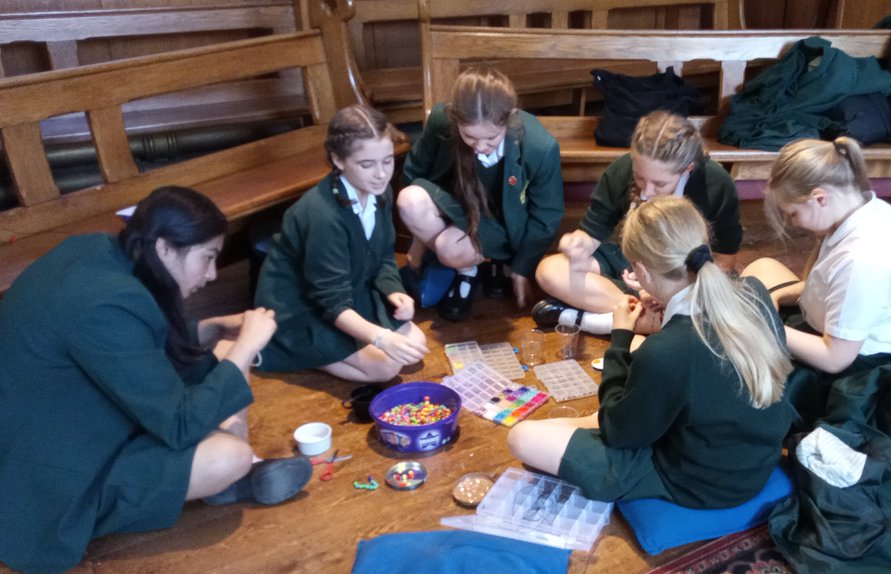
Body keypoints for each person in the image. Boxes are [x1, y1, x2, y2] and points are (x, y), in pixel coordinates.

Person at [0, 187, 311, 574]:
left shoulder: (96, 250)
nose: (212, 274)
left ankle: (225, 480)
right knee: (230, 449)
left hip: (52, 419)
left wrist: (210, 329)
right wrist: (246, 348)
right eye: (207, 257)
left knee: (221, 355)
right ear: (165, 248)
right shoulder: (108, 304)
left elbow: (126, 344)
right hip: (43, 479)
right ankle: (234, 474)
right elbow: (178, 424)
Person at [507, 197, 796, 507]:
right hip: (755, 458)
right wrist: (667, 303)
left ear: (641, 271)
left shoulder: (667, 351)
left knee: (523, 438)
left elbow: (619, 435)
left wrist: (621, 335)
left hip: (706, 483)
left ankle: (614, 413)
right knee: (625, 393)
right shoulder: (754, 290)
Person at [255, 104, 428, 382]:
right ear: (338, 160)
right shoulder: (323, 215)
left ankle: (344, 348)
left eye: (387, 161)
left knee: (414, 347)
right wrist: (381, 338)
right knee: (385, 367)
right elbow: (330, 300)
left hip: (349, 288)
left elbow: (383, 255)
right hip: (302, 308)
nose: (381, 174)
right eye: (367, 164)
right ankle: (294, 351)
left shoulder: (380, 192)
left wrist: (393, 289)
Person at [532, 111, 742, 335]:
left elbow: (724, 260)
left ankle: (613, 320)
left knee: (720, 303)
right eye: (640, 178)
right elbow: (593, 230)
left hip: (682, 271)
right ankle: (649, 318)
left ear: (687, 168)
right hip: (632, 264)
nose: (647, 192)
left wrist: (667, 288)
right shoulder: (621, 170)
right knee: (549, 270)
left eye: (660, 184)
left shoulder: (716, 184)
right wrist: (578, 245)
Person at [741, 136, 891, 377]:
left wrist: (766, 327)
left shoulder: (861, 261)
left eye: (793, 213)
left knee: (737, 345)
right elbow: (824, 284)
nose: (793, 222)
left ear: (819, 199)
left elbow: (834, 360)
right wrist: (777, 296)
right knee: (763, 269)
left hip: (859, 366)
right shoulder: (872, 209)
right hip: (833, 333)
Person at [397, 66, 565, 321]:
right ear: (455, 118)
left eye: (491, 138)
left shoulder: (540, 146)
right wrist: (418, 239)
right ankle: (467, 270)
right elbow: (413, 172)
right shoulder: (442, 119)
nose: (480, 147)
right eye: (469, 136)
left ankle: (479, 261)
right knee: (409, 201)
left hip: (501, 225)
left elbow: (547, 214)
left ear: (509, 117)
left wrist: (522, 268)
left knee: (448, 248)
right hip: (454, 206)